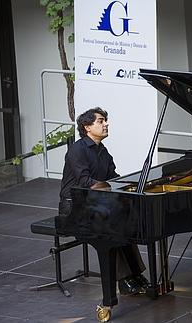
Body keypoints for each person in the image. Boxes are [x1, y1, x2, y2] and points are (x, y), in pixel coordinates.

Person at [58, 107, 148, 295]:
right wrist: (110, 187)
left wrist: (128, 185)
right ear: (87, 127)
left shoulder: (102, 150)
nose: (106, 124)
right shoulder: (77, 150)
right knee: (112, 227)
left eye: (105, 120)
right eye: (100, 121)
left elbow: (113, 176)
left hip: (94, 203)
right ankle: (124, 280)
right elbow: (85, 182)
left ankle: (135, 275)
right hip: (74, 206)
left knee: (124, 222)